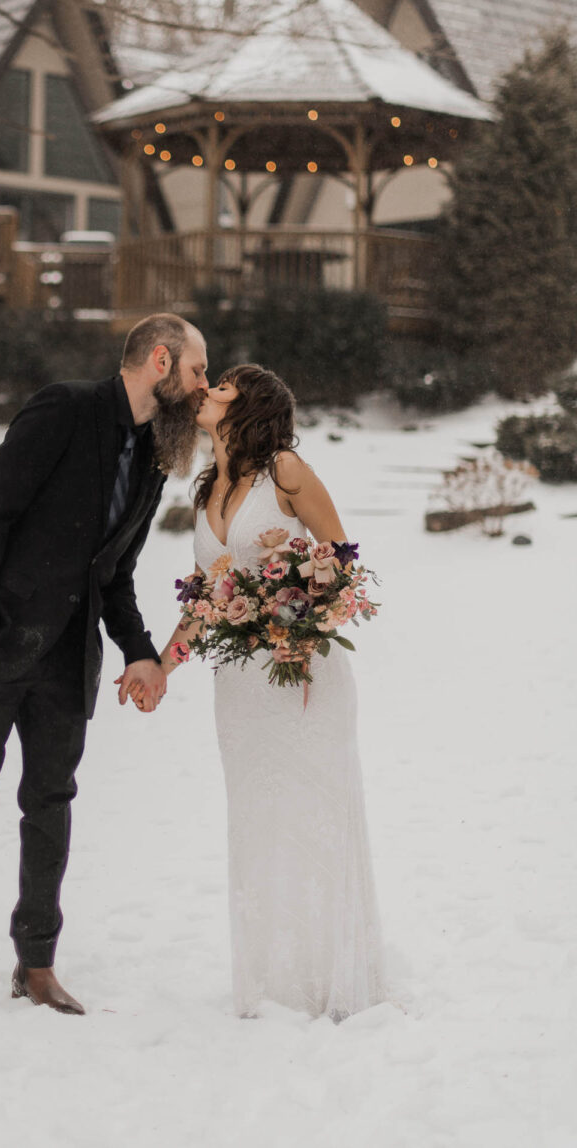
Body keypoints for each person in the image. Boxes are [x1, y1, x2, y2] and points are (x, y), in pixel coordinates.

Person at [0, 313, 209, 1025]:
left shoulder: (155, 456)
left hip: (70, 663)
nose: (203, 387)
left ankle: (36, 965)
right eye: (196, 371)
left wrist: (138, 650)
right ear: (159, 361)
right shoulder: (64, 408)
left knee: (50, 808)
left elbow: (117, 573)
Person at [151, 364, 385, 1020]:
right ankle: (276, 983)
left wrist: (302, 626)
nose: (207, 390)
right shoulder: (204, 492)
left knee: (314, 813)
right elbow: (203, 601)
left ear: (247, 404)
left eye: (221, 385)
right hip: (241, 686)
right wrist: (162, 669)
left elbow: (341, 562)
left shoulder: (286, 471)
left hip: (302, 671)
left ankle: (330, 981)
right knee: (258, 818)